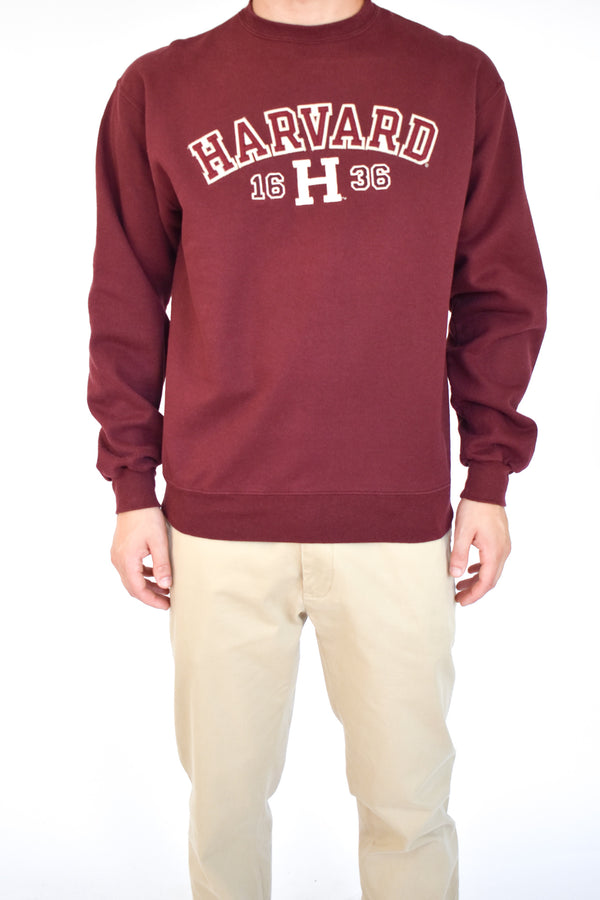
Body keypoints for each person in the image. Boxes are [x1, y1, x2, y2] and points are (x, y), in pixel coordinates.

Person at [87, 0, 546, 897]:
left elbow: (500, 291)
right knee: (222, 818)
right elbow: (125, 301)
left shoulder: (457, 80)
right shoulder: (160, 88)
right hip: (216, 522)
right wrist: (131, 486)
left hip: (397, 520)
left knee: (410, 812)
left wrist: (489, 475)